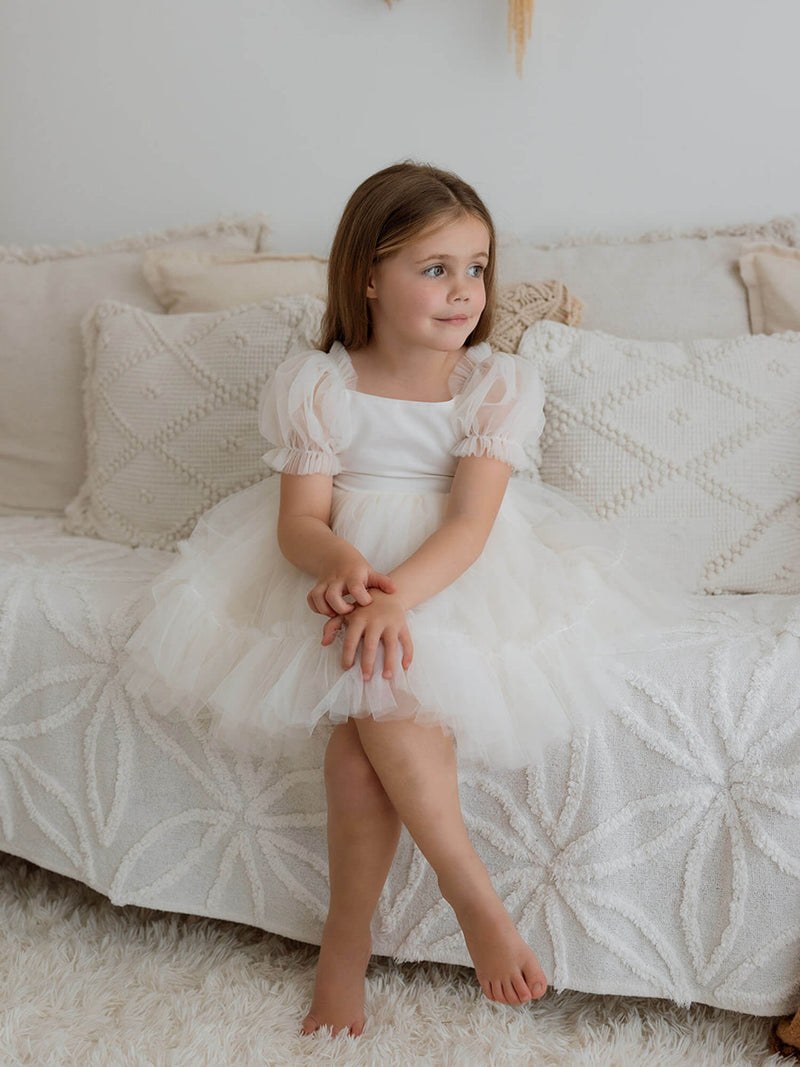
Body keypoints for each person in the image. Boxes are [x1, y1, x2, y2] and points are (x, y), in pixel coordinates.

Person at [118, 161, 689, 1037]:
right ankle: (423, 917)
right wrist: (339, 561)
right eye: (436, 269)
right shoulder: (317, 387)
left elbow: (468, 524)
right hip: (353, 571)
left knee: (363, 738)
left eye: (477, 266)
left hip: (457, 574)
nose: (465, 291)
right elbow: (300, 522)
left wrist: (395, 600)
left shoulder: (493, 387)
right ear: (368, 277)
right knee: (360, 737)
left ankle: (381, 934)